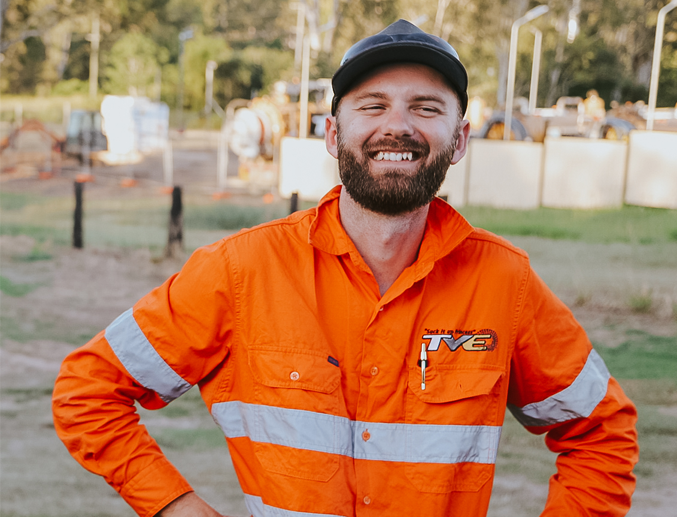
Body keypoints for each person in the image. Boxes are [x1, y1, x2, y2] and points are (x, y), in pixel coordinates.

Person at [52, 19, 638, 517]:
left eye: (426, 108)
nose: (398, 126)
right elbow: (87, 390)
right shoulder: (241, 270)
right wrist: (178, 508)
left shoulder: (504, 282)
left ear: (459, 140)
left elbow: (603, 434)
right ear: (334, 133)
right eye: (373, 106)